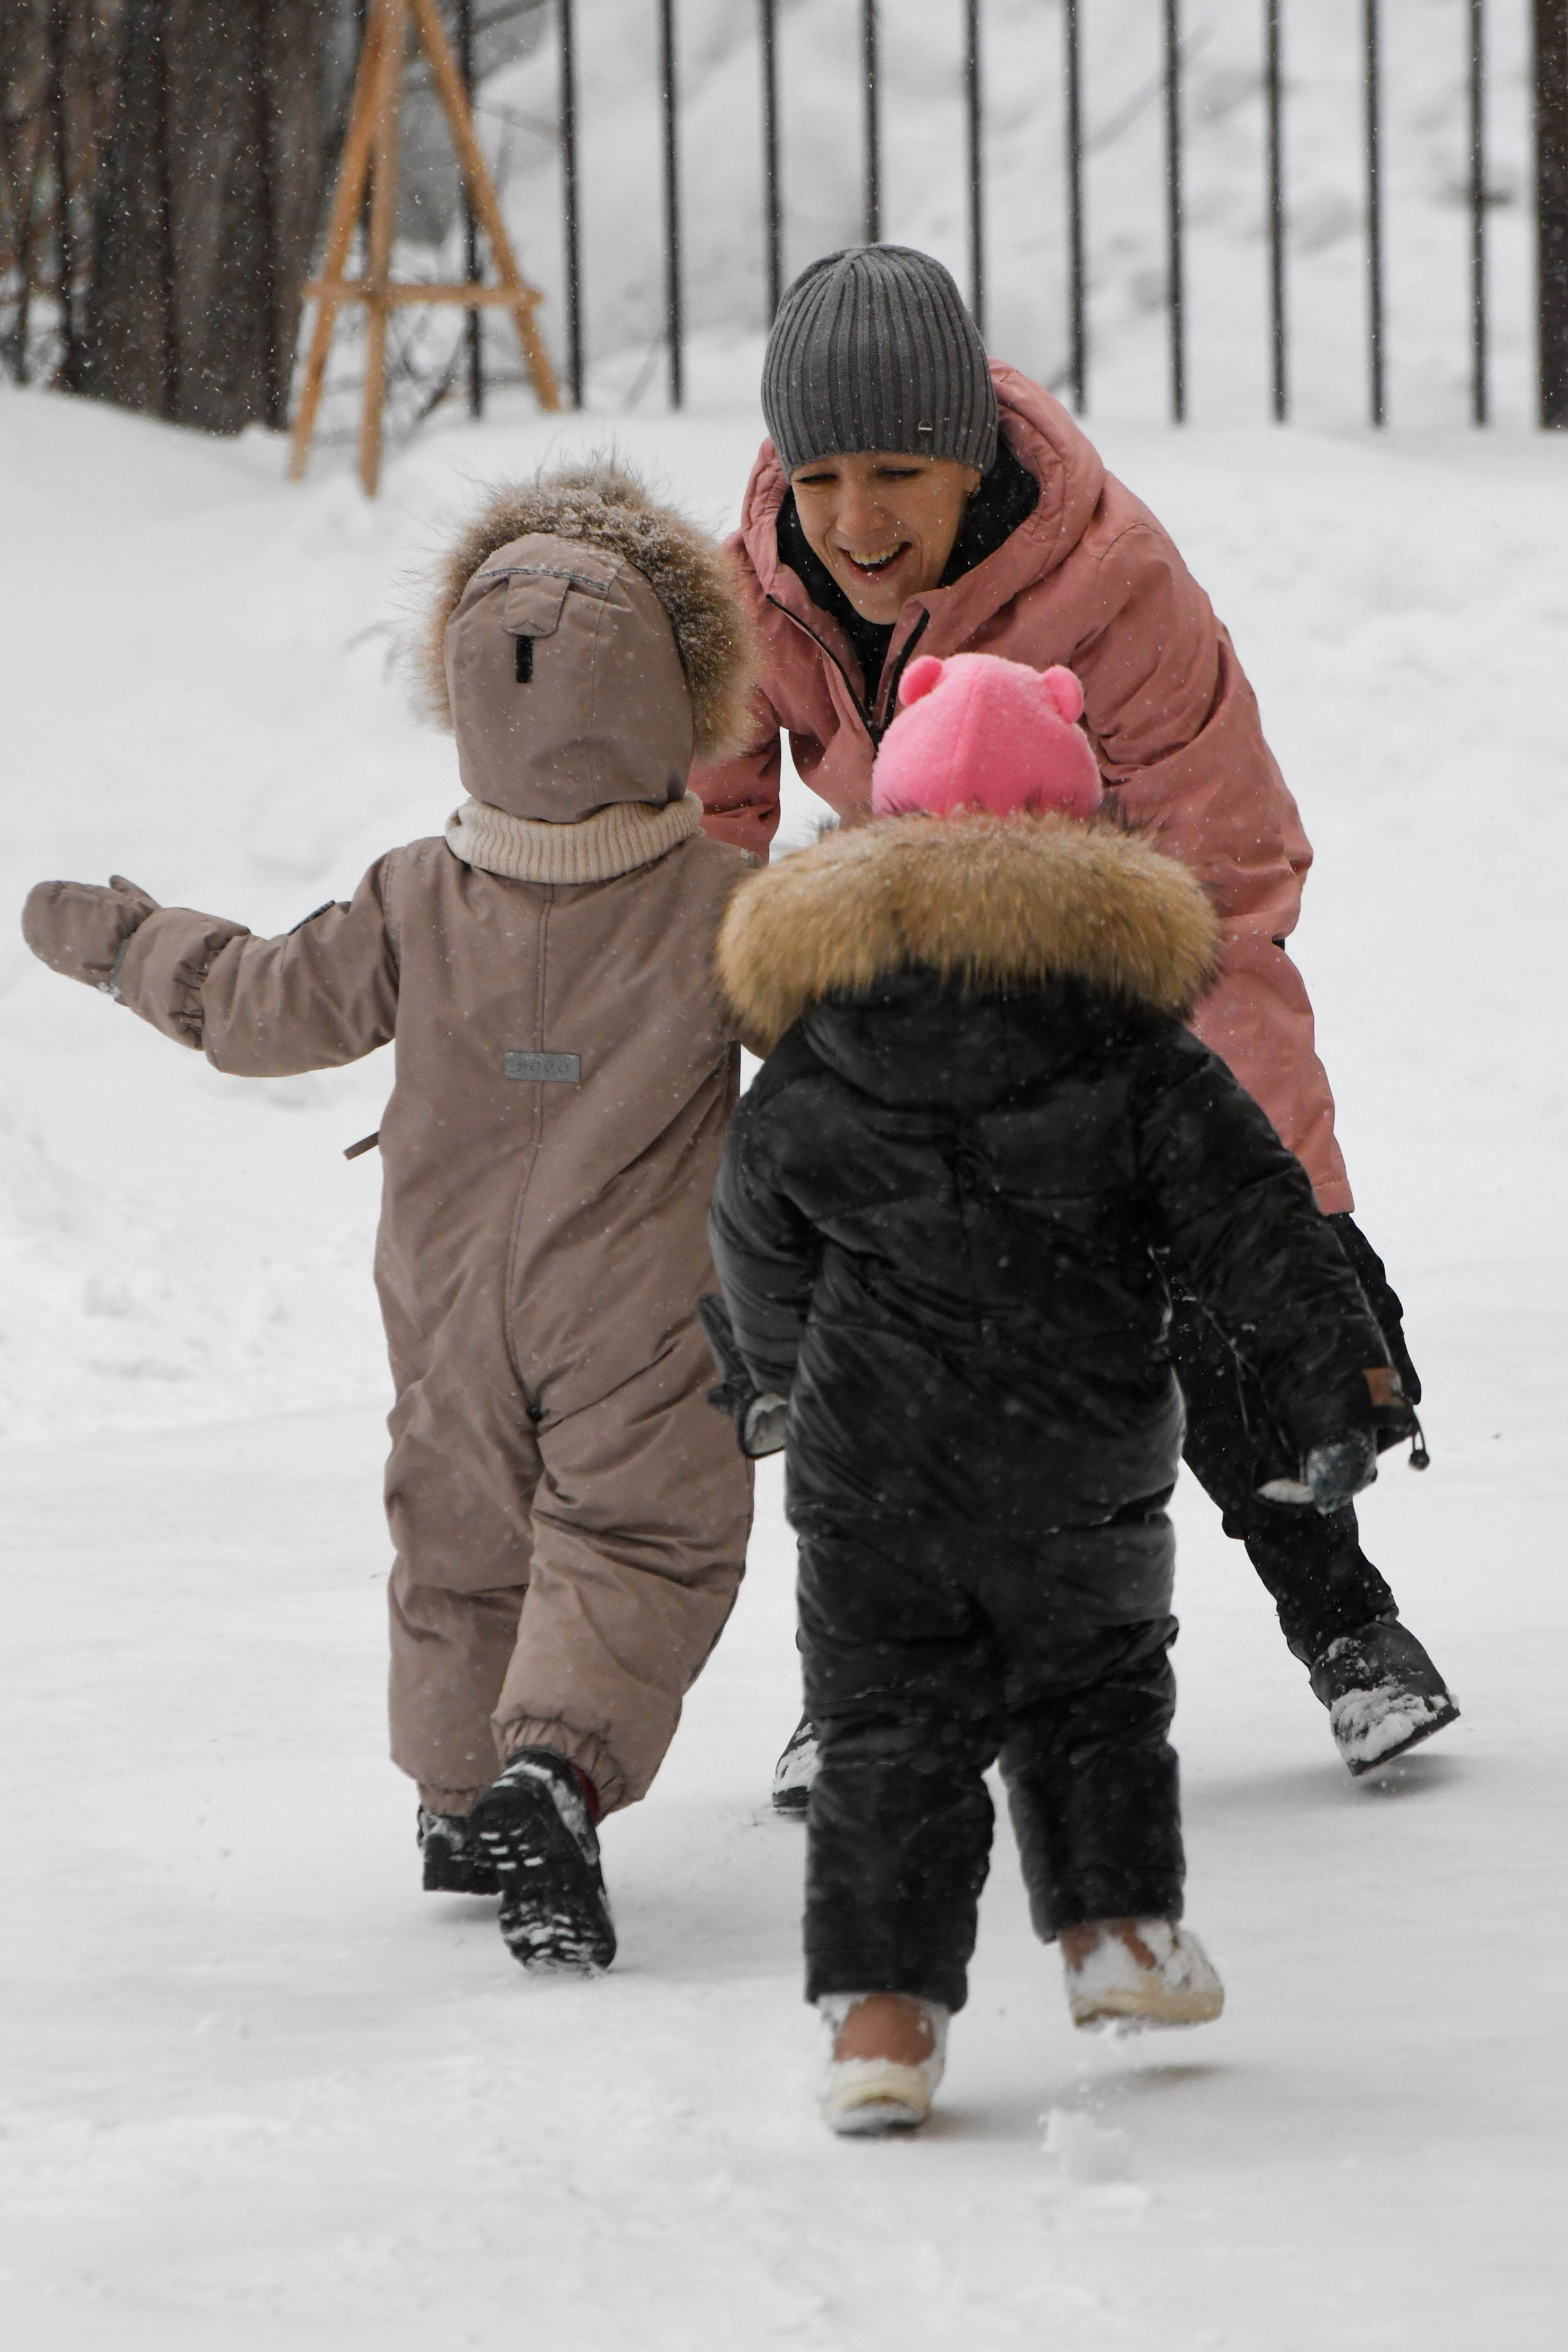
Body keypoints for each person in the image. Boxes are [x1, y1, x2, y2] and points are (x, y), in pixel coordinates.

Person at [692, 243, 1456, 1797]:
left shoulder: (1111, 590)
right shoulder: (759, 588)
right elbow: (698, 831)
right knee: (877, 1349)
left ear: (965, 457)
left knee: (1203, 1305)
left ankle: (1346, 1624)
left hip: (1111, 976)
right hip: (901, 985)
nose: (854, 521)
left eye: (897, 470)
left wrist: (1261, 1186)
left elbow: (1229, 885)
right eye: (821, 474)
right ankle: (858, 1683)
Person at [23, 462, 758, 1975]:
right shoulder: (723, 908)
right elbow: (859, 1027)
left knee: (459, 1527)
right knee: (640, 1535)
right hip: (641, 1301)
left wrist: (129, 949)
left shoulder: (414, 894)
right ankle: (550, 1774)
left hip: (439, 1294)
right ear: (681, 701)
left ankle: (451, 1795)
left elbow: (256, 1005)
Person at [704, 649, 1409, 2136]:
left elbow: (753, 1228)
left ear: (881, 839)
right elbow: (1255, 1223)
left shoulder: (824, 1047)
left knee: (884, 1726)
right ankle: (1117, 1939)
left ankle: (883, 2027)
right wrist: (1334, 1381)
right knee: (1090, 1695)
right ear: (1082, 839)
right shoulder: (1133, 1049)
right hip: (1072, 1454)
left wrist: (776, 1375)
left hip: (869, 1463)